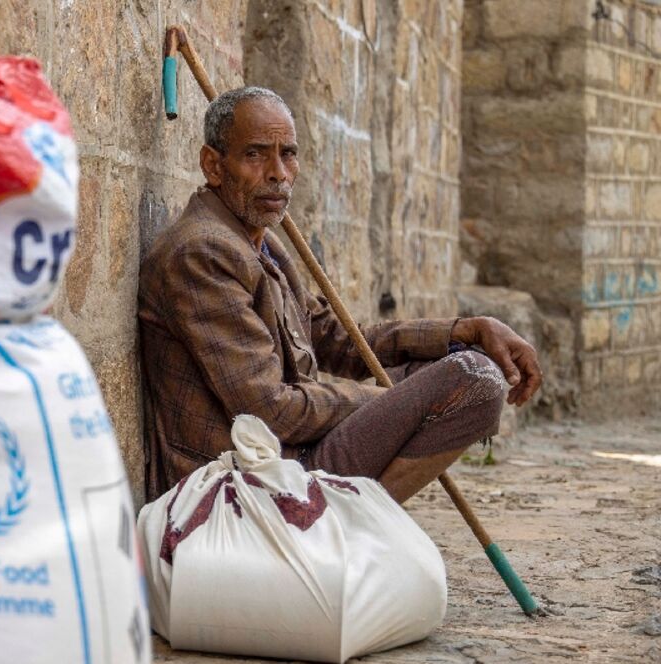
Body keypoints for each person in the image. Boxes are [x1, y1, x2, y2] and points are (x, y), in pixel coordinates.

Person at [137, 87, 542, 504]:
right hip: (251, 480)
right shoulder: (202, 252)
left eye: (288, 154)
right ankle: (342, 528)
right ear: (214, 165)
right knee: (474, 378)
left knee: (462, 365)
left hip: (293, 454)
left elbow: (337, 339)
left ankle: (350, 524)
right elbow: (273, 412)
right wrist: (394, 402)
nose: (278, 172)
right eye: (256, 155)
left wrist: (464, 331)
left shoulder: (260, 244)